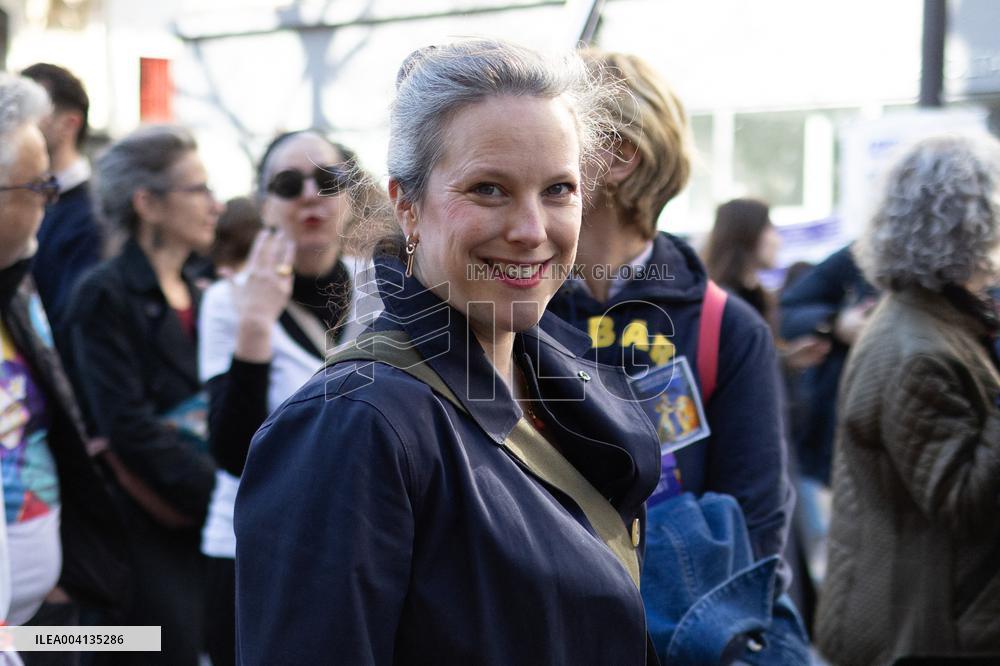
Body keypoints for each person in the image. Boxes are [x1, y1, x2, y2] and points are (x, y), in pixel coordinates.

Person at [234, 40, 662, 664]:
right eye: (489, 189)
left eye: (558, 190)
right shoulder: (351, 425)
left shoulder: (562, 377)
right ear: (407, 206)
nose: (530, 230)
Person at [546, 50, 793, 567]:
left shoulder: (727, 327)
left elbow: (756, 521)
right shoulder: (512, 308)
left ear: (616, 155)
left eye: (553, 134)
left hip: (669, 639)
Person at [815, 134, 1000, 663]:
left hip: (919, 620)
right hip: (924, 631)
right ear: (976, 223)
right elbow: (965, 505)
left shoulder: (924, 319)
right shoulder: (918, 348)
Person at [198, 131, 375, 666]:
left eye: (326, 180)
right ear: (265, 202)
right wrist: (256, 325)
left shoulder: (384, 294)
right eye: (286, 182)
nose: (308, 195)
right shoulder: (230, 303)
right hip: (251, 548)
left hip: (353, 547)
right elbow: (232, 453)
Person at [63, 125, 220, 666]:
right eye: (197, 189)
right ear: (148, 203)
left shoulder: (207, 288)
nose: (214, 205)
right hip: (141, 530)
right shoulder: (104, 295)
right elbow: (126, 426)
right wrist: (223, 495)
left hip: (206, 524)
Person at [0, 73, 127, 665]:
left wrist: (66, 578)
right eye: (37, 186)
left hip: (48, 620)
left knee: (143, 640)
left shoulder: (17, 288)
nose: (49, 200)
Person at [20, 64, 102, 338]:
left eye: (30, 112)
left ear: (70, 124)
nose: (14, 122)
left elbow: (68, 321)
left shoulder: (92, 214)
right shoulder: (17, 196)